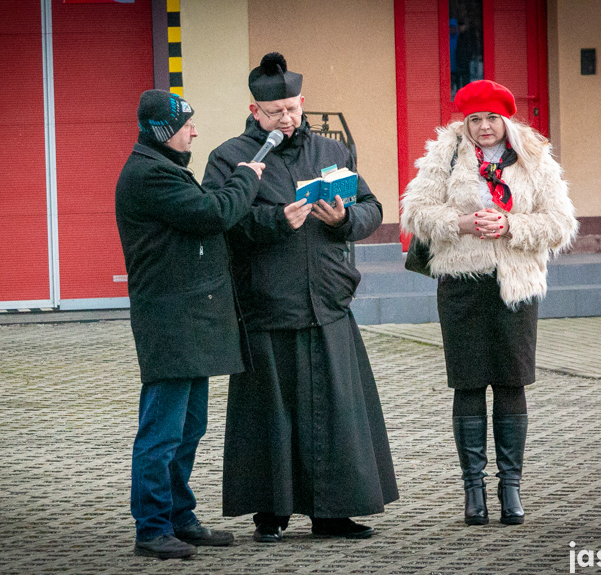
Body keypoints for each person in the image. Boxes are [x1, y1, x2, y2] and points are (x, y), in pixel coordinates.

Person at [203, 52, 399, 542]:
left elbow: (371, 208)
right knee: (271, 416)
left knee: (335, 415)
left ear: (302, 103)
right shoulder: (231, 157)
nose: (287, 120)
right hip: (269, 305)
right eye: (275, 113)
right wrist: (272, 222)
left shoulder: (333, 151)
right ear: (255, 111)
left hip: (328, 304)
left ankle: (333, 513)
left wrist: (345, 220)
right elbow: (215, 222)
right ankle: (270, 514)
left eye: (292, 109)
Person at [400, 80, 577, 526]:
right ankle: (473, 489)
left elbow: (560, 223)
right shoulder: (445, 153)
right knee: (469, 383)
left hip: (515, 284)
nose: (483, 127)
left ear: (506, 119)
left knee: (512, 382)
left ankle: (511, 488)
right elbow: (415, 212)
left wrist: (511, 225)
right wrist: (458, 222)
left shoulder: (534, 156)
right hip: (462, 282)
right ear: (465, 121)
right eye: (474, 119)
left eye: (491, 119)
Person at [115, 90, 265, 560]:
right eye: (186, 125)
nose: (195, 132)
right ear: (163, 131)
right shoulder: (149, 174)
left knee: (189, 427)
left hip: (190, 323)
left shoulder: (165, 169)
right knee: (161, 432)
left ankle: (180, 517)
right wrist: (245, 177)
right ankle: (153, 527)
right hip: (171, 323)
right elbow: (212, 214)